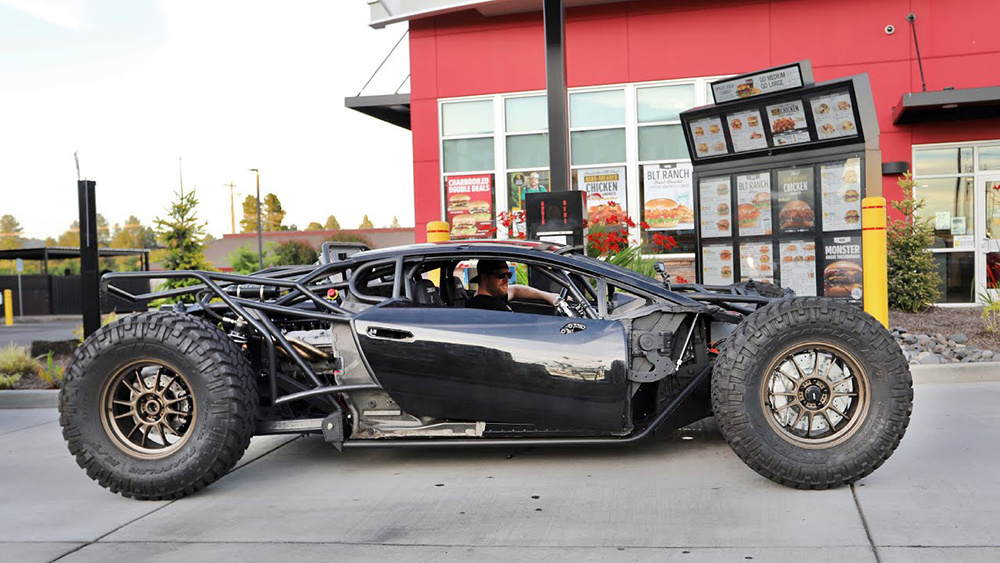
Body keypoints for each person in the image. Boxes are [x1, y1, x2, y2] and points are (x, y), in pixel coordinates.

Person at [466, 259, 562, 312]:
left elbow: (516, 290)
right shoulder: (486, 308)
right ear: (484, 278)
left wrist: (549, 296)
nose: (507, 279)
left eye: (508, 274)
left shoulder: (494, 296)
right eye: (501, 275)